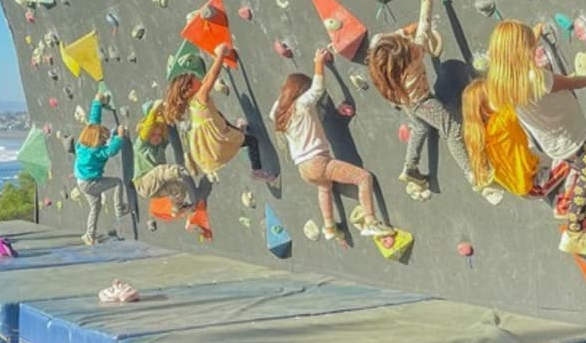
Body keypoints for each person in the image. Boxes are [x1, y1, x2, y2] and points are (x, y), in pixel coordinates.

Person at [368, 0, 500, 203]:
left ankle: (410, 166)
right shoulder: (415, 52)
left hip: (402, 97)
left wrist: (404, 31)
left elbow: (389, 40)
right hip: (423, 101)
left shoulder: (379, 54)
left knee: (419, 127)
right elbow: (426, 23)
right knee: (452, 129)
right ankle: (473, 175)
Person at [486, 20, 586, 257]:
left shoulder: (501, 83)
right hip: (572, 138)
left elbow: (515, 58)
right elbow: (574, 82)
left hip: (557, 141)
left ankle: (574, 230)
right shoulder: (535, 78)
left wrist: (535, 34)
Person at [272, 48, 393, 241]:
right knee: (363, 178)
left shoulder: (279, 113)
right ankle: (371, 221)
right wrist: (319, 62)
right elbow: (318, 88)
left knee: (324, 187)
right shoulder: (302, 105)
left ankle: (329, 227)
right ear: (301, 92)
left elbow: (282, 103)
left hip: (303, 169)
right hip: (318, 162)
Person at [162, 44, 270, 184]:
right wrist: (220, 55)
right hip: (219, 141)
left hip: (216, 130)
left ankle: (238, 131)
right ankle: (257, 171)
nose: (196, 78)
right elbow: (213, 76)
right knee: (252, 141)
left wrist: (217, 60)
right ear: (188, 89)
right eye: (193, 79)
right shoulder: (201, 97)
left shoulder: (193, 102)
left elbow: (206, 79)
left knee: (220, 118)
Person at [461, 77, 540, 197]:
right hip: (534, 178)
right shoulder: (501, 122)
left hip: (518, 186)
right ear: (484, 107)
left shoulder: (479, 134)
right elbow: (520, 96)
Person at [74, 94, 129, 245]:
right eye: (103, 139)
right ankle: (120, 208)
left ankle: (89, 234)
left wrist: (97, 102)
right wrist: (120, 137)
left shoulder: (83, 143)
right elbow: (111, 151)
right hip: (91, 182)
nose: (105, 141)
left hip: (82, 182)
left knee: (95, 207)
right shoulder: (98, 151)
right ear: (97, 139)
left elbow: (94, 121)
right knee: (117, 182)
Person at [132, 99, 197, 215]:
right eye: (153, 135)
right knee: (161, 170)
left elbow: (165, 128)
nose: (156, 138)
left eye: (158, 135)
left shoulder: (161, 144)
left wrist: (166, 112)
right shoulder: (140, 145)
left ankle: (179, 207)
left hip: (157, 187)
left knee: (180, 187)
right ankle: (183, 170)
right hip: (143, 184)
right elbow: (147, 128)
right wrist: (154, 110)